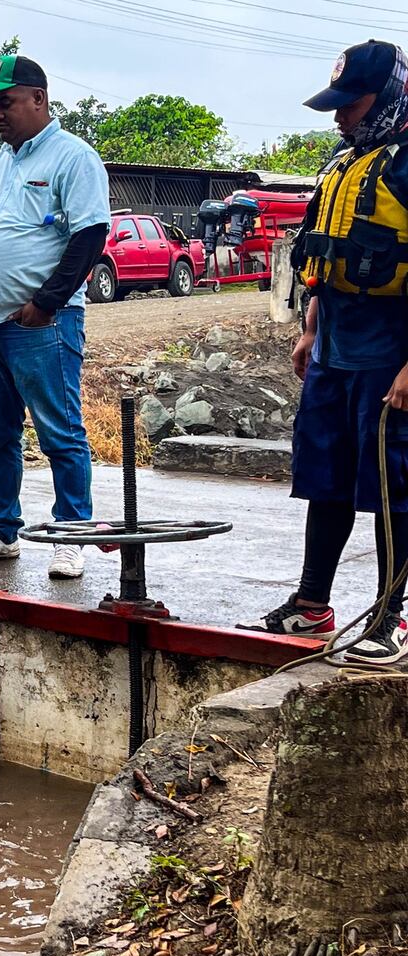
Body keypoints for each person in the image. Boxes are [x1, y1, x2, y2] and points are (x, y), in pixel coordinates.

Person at [238, 40, 408, 665]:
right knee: (326, 479)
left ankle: (390, 618)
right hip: (336, 346)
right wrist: (310, 328)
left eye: (352, 105)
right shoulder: (344, 161)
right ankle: (313, 603)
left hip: (392, 349)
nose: (341, 118)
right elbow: (322, 254)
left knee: (395, 489)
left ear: (388, 97)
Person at [0, 56, 110, 580]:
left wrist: (47, 303)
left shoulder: (73, 157)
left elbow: (90, 236)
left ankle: (70, 532)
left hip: (43, 325)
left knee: (59, 430)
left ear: (38, 98)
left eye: (5, 102)